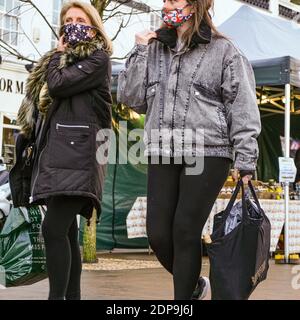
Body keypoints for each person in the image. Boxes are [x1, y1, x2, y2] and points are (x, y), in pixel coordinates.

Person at [117, 0, 261, 300]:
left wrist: (246, 159)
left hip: (209, 150)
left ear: (194, 5)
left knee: (185, 230)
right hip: (163, 149)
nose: (166, 4)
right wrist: (140, 50)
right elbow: (130, 98)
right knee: (157, 234)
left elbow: (243, 106)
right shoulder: (154, 48)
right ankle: (194, 285)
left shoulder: (225, 51)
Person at [15, 1, 112, 300]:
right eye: (68, 19)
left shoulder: (98, 59)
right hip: (60, 158)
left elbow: (57, 86)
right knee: (67, 232)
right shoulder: (61, 61)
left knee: (53, 229)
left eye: (79, 19)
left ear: (93, 25)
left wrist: (57, 56)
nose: (73, 23)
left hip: (80, 158)